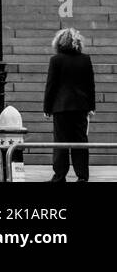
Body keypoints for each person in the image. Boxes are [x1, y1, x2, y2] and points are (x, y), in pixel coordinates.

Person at [44, 27, 95, 182]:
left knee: (61, 142)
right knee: (80, 142)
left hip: (61, 107)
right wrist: (91, 106)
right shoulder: (85, 59)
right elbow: (90, 84)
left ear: (59, 43)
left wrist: (47, 108)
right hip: (80, 107)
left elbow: (51, 85)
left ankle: (59, 176)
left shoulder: (56, 60)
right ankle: (82, 176)